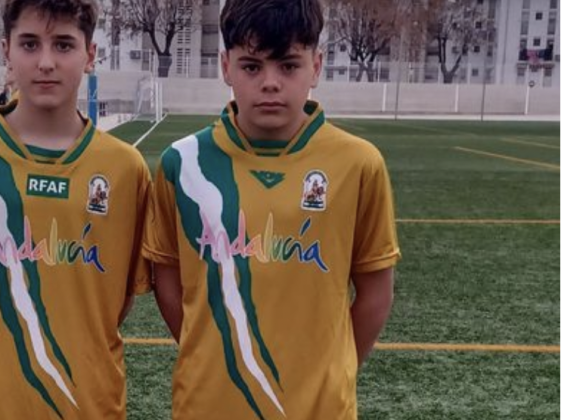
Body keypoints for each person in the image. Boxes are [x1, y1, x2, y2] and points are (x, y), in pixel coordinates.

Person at [143, 0, 401, 418]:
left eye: (288, 65)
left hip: (319, 408)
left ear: (316, 66)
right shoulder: (182, 162)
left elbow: (375, 292)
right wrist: (209, 350)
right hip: (208, 405)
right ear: (226, 66)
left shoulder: (359, 163)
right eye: (251, 66)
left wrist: (331, 367)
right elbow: (167, 283)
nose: (270, 83)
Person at [0, 0, 150, 419]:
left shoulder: (125, 169)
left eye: (63, 45)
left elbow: (119, 301)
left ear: (90, 55)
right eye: (29, 44)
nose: (46, 62)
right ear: (6, 50)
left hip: (89, 405)